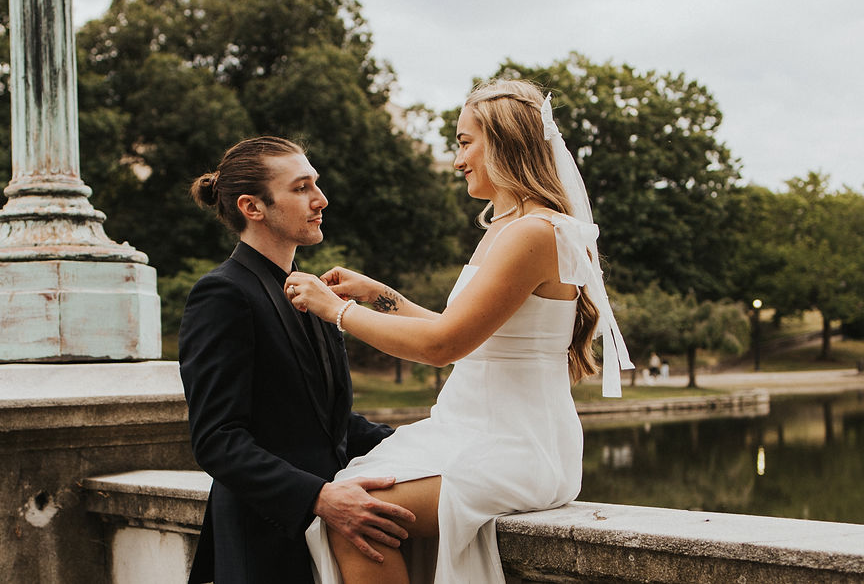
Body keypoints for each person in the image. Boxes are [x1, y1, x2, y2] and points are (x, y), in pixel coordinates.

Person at [285, 79, 634, 583]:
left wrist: (333, 311)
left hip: (517, 445)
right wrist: (381, 295)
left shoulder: (535, 233)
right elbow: (469, 339)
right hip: (478, 433)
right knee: (350, 503)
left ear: (505, 142)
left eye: (465, 142)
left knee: (355, 517)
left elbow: (443, 347)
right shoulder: (506, 226)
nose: (456, 160)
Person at [179, 136, 416, 584]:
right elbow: (217, 439)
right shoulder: (223, 294)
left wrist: (428, 444)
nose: (320, 199)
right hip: (263, 545)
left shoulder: (312, 294)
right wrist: (320, 498)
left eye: (316, 184)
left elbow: (331, 425)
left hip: (330, 537)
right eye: (302, 188)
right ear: (253, 207)